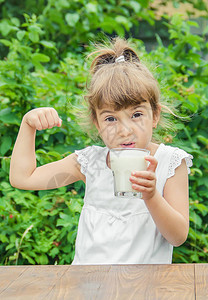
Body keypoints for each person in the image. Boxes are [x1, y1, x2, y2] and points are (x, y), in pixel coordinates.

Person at [10, 37, 193, 264]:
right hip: (89, 288)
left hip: (145, 290)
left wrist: (152, 196)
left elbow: (178, 237)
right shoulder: (90, 163)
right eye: (110, 118)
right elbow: (22, 178)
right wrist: (28, 125)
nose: (125, 131)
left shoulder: (170, 162)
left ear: (155, 115)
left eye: (136, 114)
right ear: (96, 123)